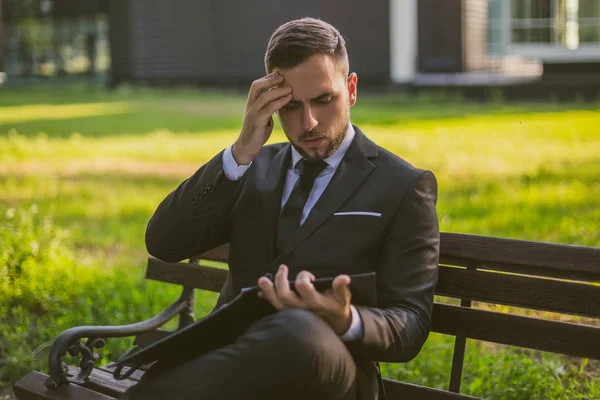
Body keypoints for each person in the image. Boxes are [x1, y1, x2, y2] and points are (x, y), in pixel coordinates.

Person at [122, 17, 439, 400]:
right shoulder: (251, 169)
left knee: (297, 333)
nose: (309, 123)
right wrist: (240, 152)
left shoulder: (403, 186)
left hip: (330, 368)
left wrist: (345, 319)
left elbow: (410, 322)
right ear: (267, 104)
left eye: (324, 100)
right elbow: (165, 242)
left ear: (351, 89)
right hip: (235, 363)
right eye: (290, 107)